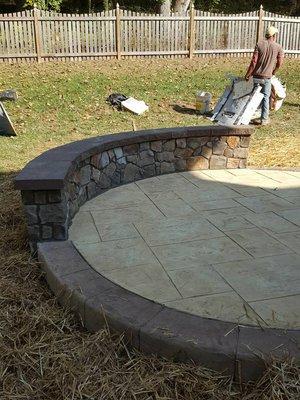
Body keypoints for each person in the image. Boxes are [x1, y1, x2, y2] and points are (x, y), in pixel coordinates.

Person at [245, 26, 284, 125]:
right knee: (266, 97)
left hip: (256, 76)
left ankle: (247, 116)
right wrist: (274, 71)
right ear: (274, 35)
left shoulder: (259, 44)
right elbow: (279, 63)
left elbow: (254, 61)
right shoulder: (278, 47)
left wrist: (248, 74)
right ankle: (264, 119)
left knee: (253, 97)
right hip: (267, 77)